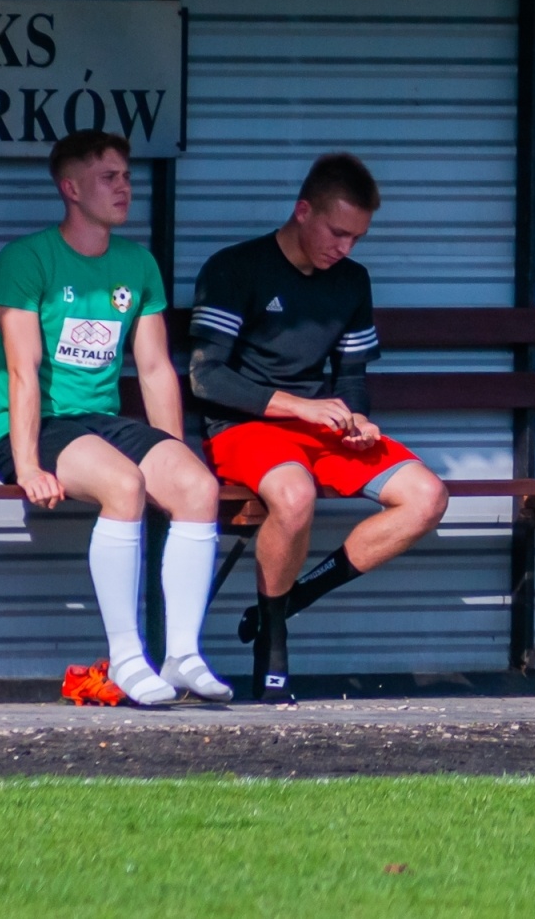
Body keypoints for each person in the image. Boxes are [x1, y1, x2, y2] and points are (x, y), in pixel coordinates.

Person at [189, 152, 449, 702]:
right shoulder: (234, 268)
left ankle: (289, 601)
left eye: (357, 238)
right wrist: (299, 407)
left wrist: (358, 419)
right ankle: (273, 641)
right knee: (294, 494)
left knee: (428, 497)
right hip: (246, 425)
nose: (345, 248)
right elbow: (207, 378)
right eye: (338, 232)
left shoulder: (352, 281)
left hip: (319, 427)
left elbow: (351, 377)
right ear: (303, 211)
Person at [0, 130, 231, 705]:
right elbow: (22, 370)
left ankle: (182, 655)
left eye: (127, 176)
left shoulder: (137, 263)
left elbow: (155, 368)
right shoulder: (26, 259)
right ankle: (125, 658)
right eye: (108, 177)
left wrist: (173, 453)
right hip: (38, 427)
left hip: (102, 421)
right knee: (125, 484)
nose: (125, 188)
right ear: (71, 189)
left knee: (197, 486)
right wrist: (27, 465)